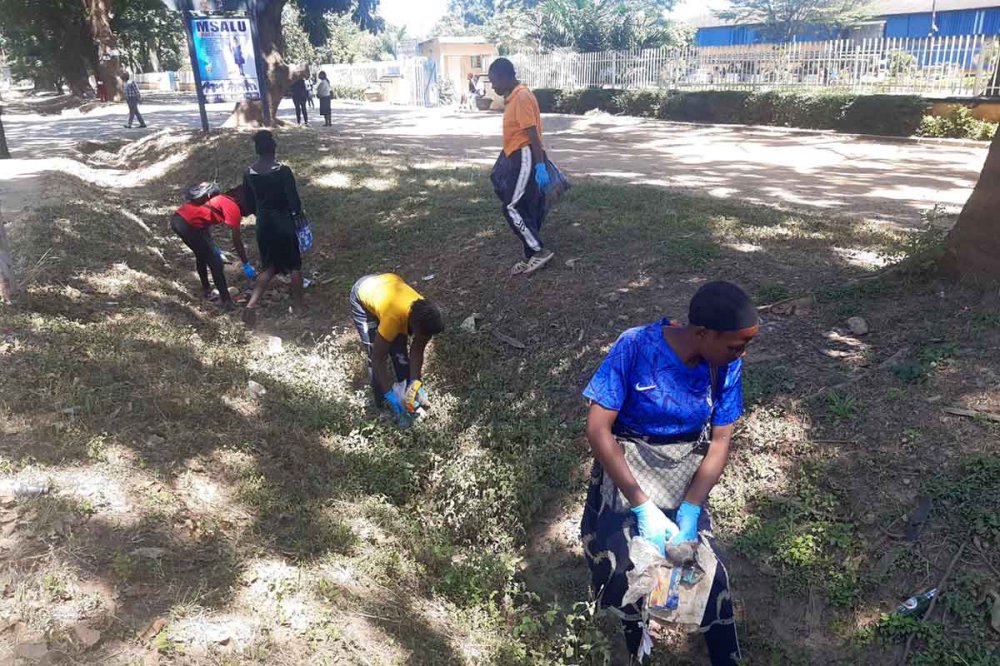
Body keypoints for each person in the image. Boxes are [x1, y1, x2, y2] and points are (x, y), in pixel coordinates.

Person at [580, 281, 760, 665]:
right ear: (701, 333)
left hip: (684, 476)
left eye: (744, 346)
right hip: (628, 470)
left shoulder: (725, 364)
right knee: (629, 571)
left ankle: (724, 657)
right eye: (734, 346)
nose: (741, 353)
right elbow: (598, 429)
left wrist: (692, 509)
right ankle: (638, 649)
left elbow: (720, 441)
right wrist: (642, 507)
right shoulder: (636, 347)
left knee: (711, 577)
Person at [487, 57, 554, 276]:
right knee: (524, 204)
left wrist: (540, 166)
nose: (493, 87)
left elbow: (532, 135)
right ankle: (530, 255)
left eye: (494, 81)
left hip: (525, 155)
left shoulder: (522, 96)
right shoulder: (514, 97)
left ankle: (539, 251)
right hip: (516, 156)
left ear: (505, 76)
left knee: (511, 206)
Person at [349, 273, 444, 419]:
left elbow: (417, 350)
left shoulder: (427, 317)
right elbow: (378, 359)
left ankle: (407, 401)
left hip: (387, 287)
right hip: (364, 295)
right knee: (375, 352)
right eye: (423, 335)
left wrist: (415, 384)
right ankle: (382, 406)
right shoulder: (393, 319)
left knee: (400, 354)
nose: (426, 338)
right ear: (414, 325)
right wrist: (388, 394)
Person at [241, 131, 305, 326]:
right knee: (294, 266)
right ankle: (299, 308)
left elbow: (249, 204)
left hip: (264, 225)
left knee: (269, 267)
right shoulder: (283, 171)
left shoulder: (249, 173)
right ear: (274, 148)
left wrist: (261, 212)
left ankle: (251, 305)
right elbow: (294, 201)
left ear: (257, 150)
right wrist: (299, 217)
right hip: (284, 222)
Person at [171, 183, 256, 309]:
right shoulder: (234, 209)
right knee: (215, 262)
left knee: (202, 255)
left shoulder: (221, 198)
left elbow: (203, 220)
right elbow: (236, 240)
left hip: (179, 219)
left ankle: (207, 290)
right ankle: (226, 301)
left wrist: (211, 245)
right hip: (187, 225)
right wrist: (245, 263)